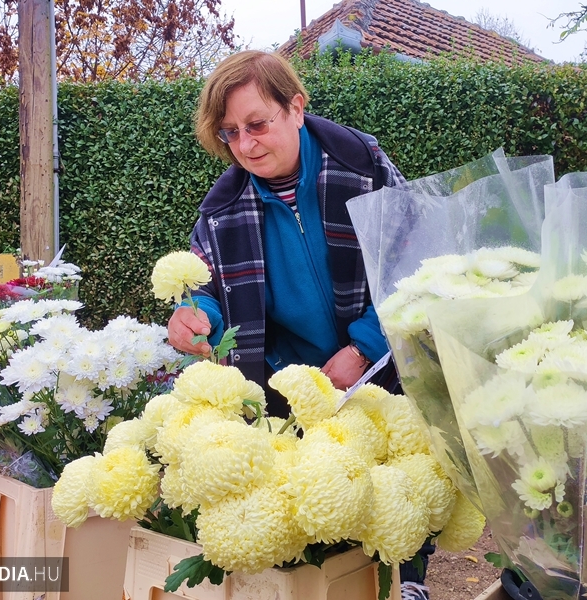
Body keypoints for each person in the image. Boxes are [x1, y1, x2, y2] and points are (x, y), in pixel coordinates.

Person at [166, 50, 432, 599]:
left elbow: (417, 265)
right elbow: (209, 288)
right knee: (321, 497)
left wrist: (364, 348)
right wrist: (196, 317)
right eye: (231, 132)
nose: (245, 145)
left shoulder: (361, 166)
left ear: (296, 107)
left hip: (379, 362)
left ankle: (408, 581)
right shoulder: (222, 209)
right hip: (289, 380)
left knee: (396, 479)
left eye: (257, 124)